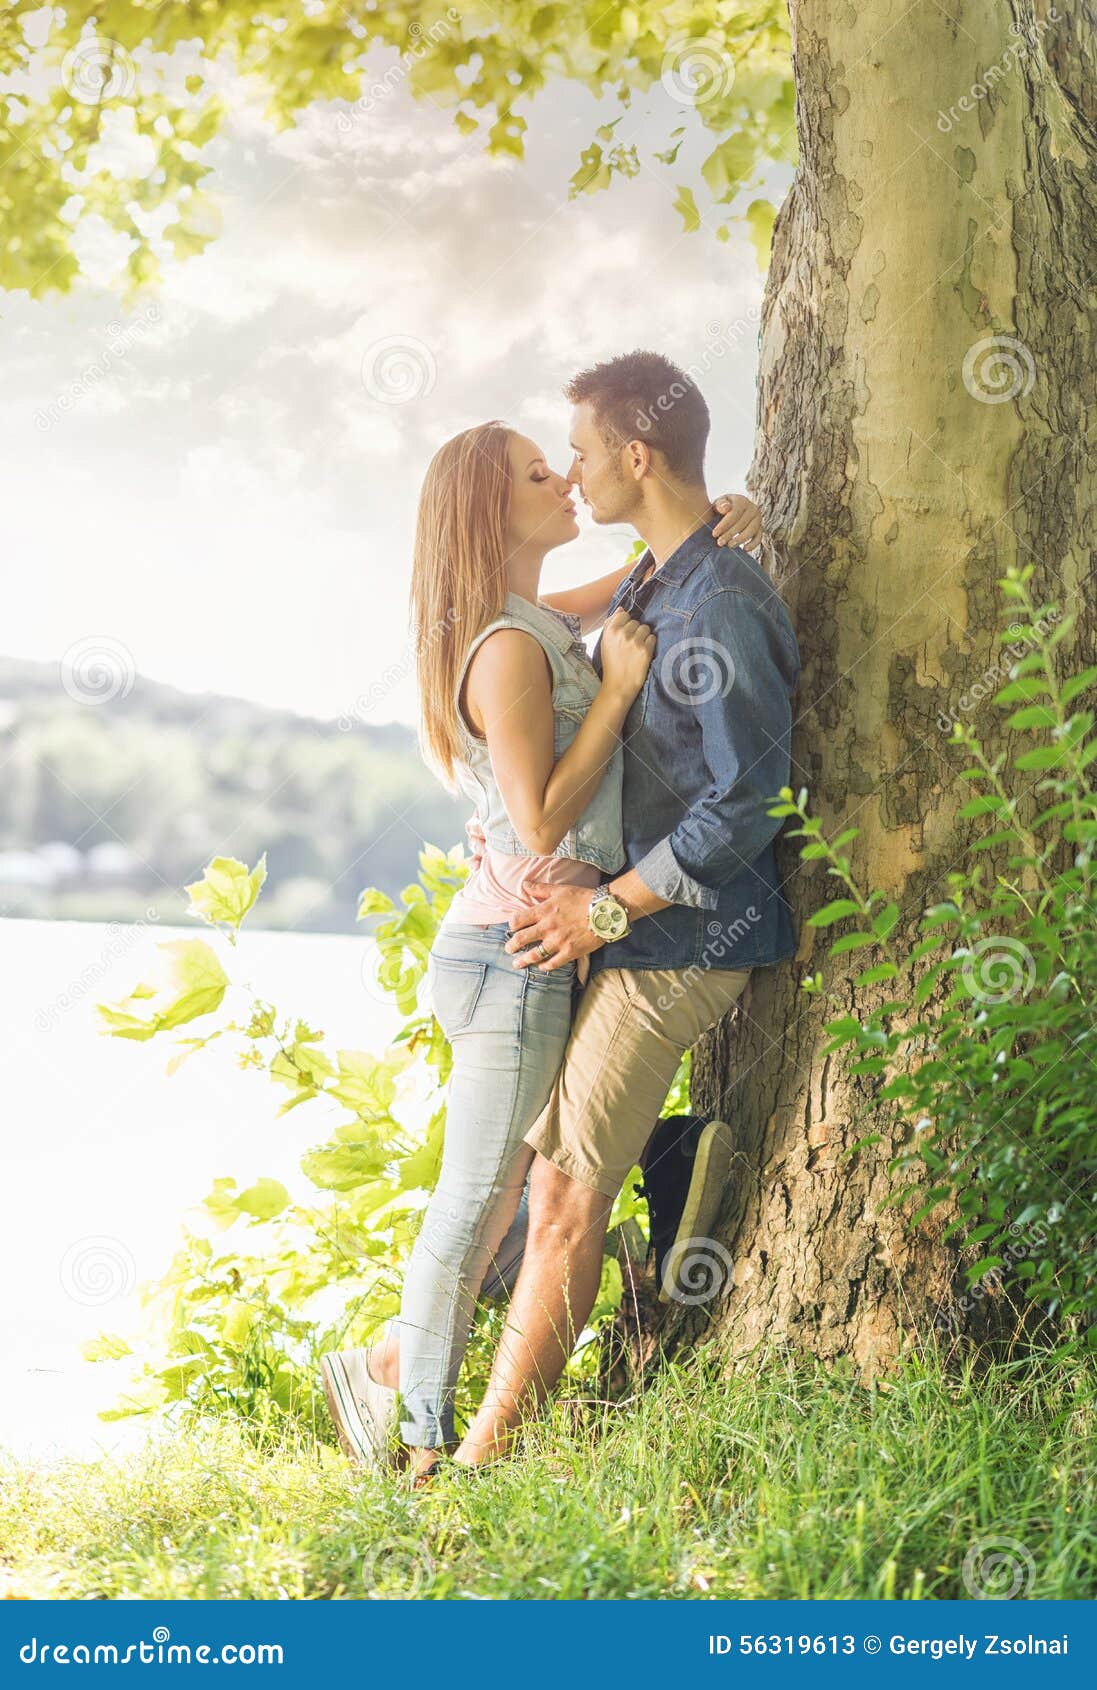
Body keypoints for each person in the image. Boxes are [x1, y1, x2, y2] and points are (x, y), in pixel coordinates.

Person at [321, 410, 762, 1482]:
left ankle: (382, 1369)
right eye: (535, 472)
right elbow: (540, 820)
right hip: (509, 957)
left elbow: (631, 586)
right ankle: (419, 1437)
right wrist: (614, 691)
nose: (562, 477)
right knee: (477, 1198)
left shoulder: (525, 614)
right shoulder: (512, 648)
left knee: (512, 1192)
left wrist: (711, 519)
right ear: (488, 507)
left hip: (534, 949)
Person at [447, 351, 801, 1470]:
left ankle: (483, 1461)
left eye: (587, 456)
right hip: (631, 929)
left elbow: (752, 797)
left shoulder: (723, 601)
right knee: (530, 1165)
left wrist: (608, 908)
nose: (576, 476)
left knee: (558, 1191)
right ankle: (674, 1156)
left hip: (680, 941)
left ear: (635, 456)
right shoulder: (657, 582)